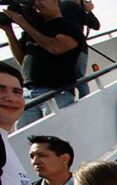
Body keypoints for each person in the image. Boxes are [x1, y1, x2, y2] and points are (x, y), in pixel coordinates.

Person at [2, 0, 86, 128]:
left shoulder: (69, 27)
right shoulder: (32, 31)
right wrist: (8, 31)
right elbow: (22, 59)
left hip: (56, 92)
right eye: (34, 2)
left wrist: (23, 23)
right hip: (28, 94)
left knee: (54, 136)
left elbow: (55, 48)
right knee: (24, 141)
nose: (37, 4)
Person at [60, 0, 99, 98]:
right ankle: (86, 100)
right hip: (79, 49)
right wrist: (88, 11)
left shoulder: (63, 5)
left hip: (70, 50)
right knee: (79, 78)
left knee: (75, 79)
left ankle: (85, 99)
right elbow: (95, 24)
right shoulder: (71, 5)